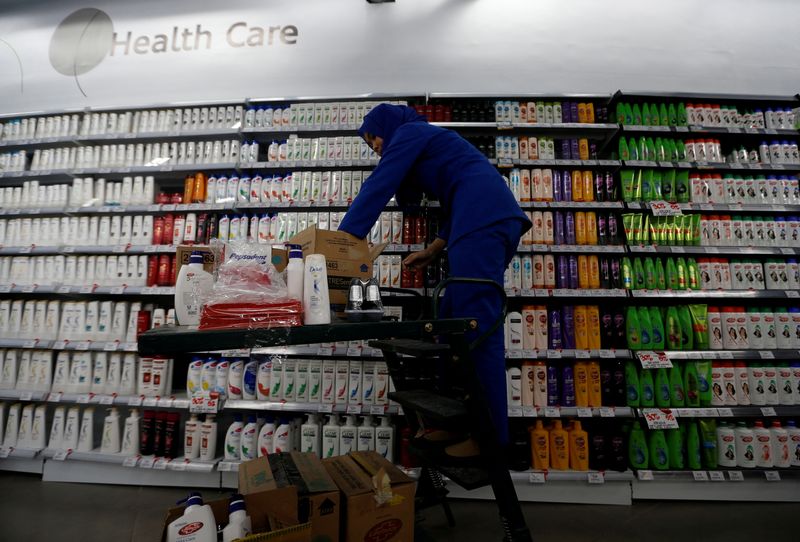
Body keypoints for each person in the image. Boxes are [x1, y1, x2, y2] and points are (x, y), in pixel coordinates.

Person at [338, 103, 532, 453]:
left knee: (478, 327)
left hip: (483, 223)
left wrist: (341, 243)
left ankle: (490, 438)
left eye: (375, 136)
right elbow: (464, 190)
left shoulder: (411, 132)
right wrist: (435, 247)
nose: (376, 146)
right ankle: (453, 424)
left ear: (389, 125)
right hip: (476, 222)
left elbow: (380, 184)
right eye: (369, 144)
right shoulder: (428, 140)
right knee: (450, 322)